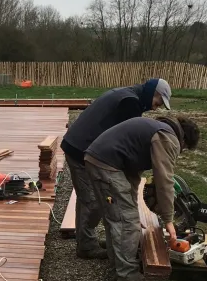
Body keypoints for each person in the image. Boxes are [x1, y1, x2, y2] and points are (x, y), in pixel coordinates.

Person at [84, 115, 200, 281]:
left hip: (98, 159)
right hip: (107, 164)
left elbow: (133, 170)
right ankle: (128, 279)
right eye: (184, 149)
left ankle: (118, 266)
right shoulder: (167, 138)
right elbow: (165, 181)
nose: (180, 151)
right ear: (183, 140)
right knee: (127, 221)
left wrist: (131, 202)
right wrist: (168, 220)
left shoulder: (156, 128)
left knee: (116, 216)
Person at [60, 79, 172, 259]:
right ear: (152, 92)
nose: (155, 108)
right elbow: (124, 142)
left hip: (78, 143)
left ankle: (86, 240)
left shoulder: (127, 94)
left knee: (87, 199)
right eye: (157, 102)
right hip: (80, 148)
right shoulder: (130, 103)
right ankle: (86, 247)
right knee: (93, 202)